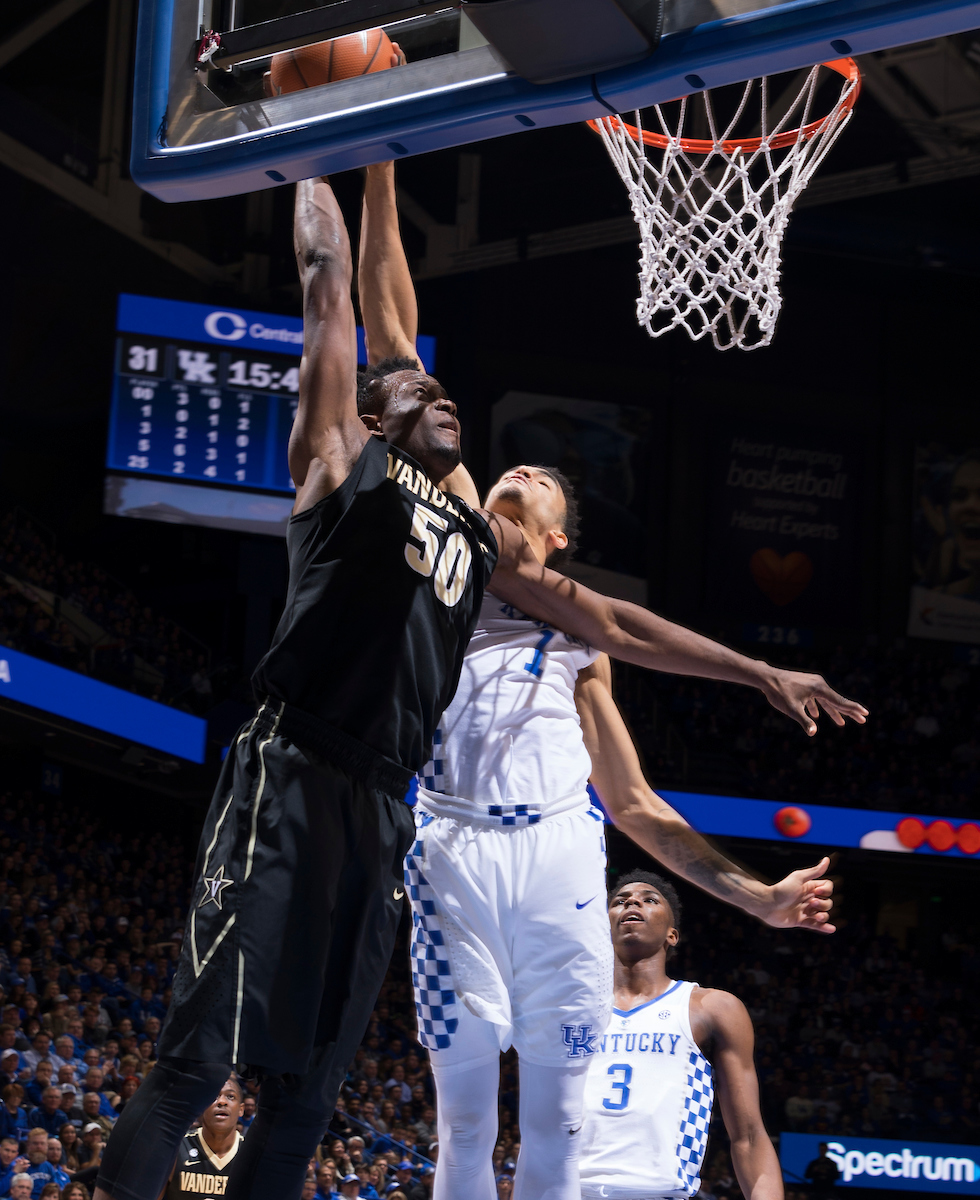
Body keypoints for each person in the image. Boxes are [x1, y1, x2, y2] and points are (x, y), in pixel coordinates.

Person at [94, 155, 864, 1200]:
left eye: (532, 480)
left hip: (477, 831)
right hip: (386, 806)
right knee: (373, 1095)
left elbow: (627, 724)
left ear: (549, 537)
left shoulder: (525, 590)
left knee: (435, 1107)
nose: (498, 458)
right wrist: (358, 157)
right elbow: (368, 309)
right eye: (498, 460)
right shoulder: (395, 483)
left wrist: (754, 681)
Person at [409, 471, 859, 1200]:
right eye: (511, 471)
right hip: (450, 849)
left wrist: (757, 899)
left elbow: (635, 804)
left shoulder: (577, 631)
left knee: (555, 1122)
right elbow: (416, 388)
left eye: (546, 479)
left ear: (556, 539)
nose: (523, 471)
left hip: (556, 850)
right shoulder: (442, 576)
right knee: (463, 1125)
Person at [577, 871, 784, 1200]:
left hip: (658, 1193)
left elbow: (748, 1135)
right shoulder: (570, 1006)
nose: (632, 901)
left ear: (672, 935)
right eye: (620, 901)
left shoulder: (711, 1007)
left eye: (649, 900)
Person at [161, 1076, 243, 1200]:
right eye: (214, 1096)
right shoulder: (175, 1147)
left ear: (241, 1110)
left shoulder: (253, 1154)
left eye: (230, 1096)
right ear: (201, 1105)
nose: (222, 1101)